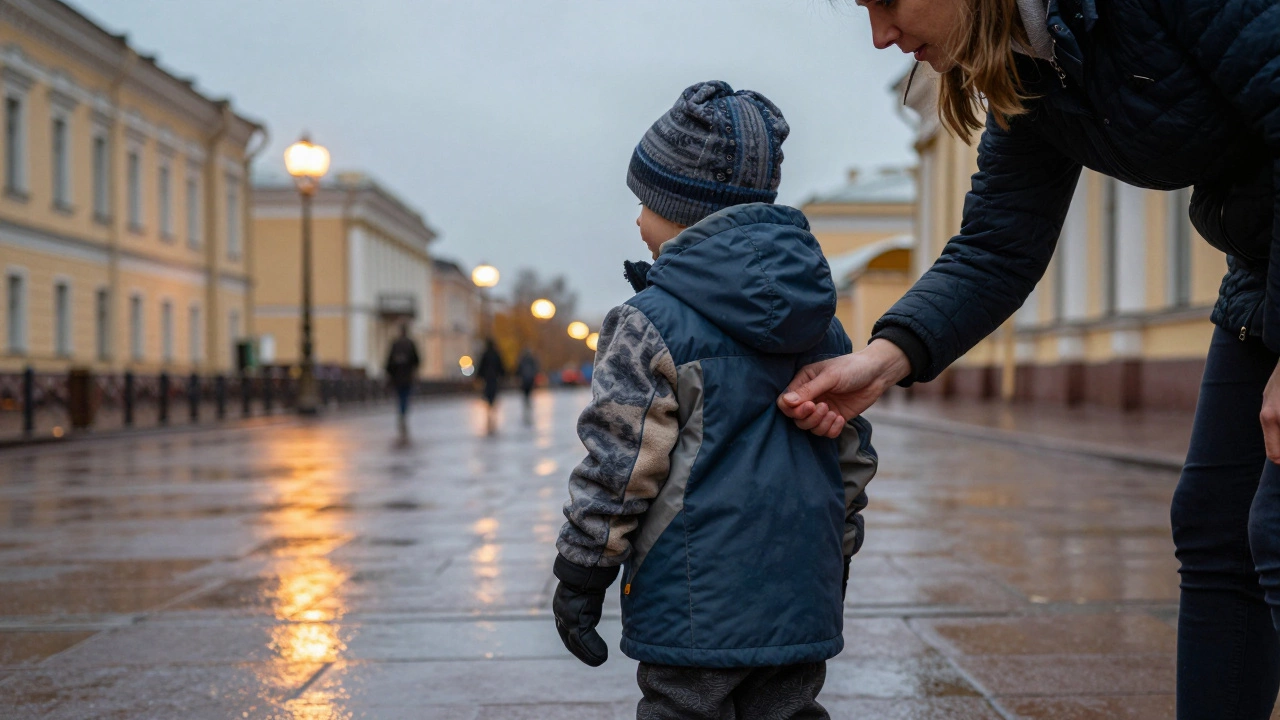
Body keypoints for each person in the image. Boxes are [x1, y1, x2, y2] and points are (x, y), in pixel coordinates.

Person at [778, 1, 1280, 717]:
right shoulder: (1037, 64)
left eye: (887, 1)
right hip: (1263, 266)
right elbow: (998, 245)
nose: (881, 35)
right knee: (1217, 527)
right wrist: (881, 361)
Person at [552, 81, 878, 719]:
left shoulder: (651, 321)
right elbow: (851, 457)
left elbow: (619, 464)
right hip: (799, 588)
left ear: (679, 210)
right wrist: (834, 554)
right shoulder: (825, 324)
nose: (638, 220)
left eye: (644, 202)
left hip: (690, 594)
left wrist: (582, 572)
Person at [383, 324, 420, 438]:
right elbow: (417, 361)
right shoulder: (410, 344)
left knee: (400, 397)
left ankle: (401, 414)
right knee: (405, 397)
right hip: (407, 377)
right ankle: (403, 414)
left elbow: (388, 363)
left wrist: (390, 374)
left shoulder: (395, 344)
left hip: (397, 378)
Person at [476, 338, 505, 434]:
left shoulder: (485, 354)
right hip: (494, 379)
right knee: (493, 395)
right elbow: (501, 367)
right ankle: (492, 411)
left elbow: (481, 367)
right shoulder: (496, 354)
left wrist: (478, 377)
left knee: (488, 395)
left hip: (487, 379)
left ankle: (489, 411)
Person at [516, 349, 539, 424]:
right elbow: (535, 369)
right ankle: (528, 402)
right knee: (528, 394)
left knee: (526, 394)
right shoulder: (531, 360)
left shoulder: (523, 360)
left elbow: (519, 370)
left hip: (525, 381)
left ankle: (527, 402)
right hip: (529, 380)